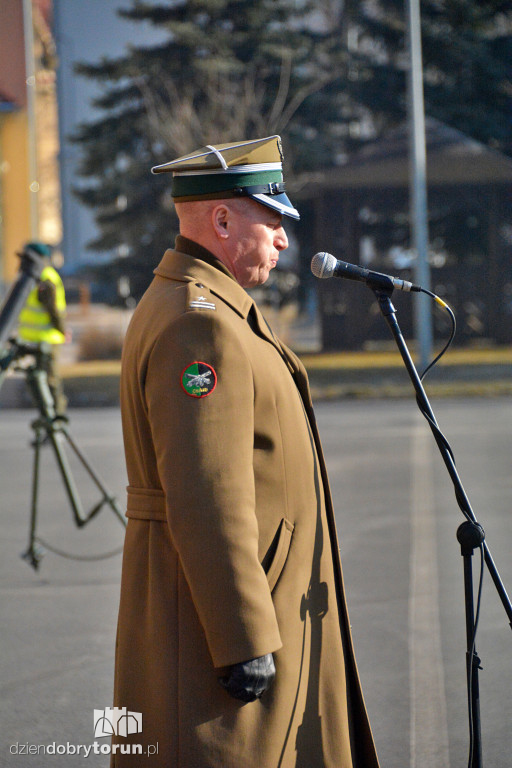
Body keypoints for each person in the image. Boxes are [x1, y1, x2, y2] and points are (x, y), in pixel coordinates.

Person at [111, 136, 379, 767]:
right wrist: (242, 638)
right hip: (218, 622)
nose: (285, 238)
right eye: (272, 219)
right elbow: (207, 492)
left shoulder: (205, 304)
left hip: (243, 598)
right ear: (223, 219)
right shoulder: (198, 322)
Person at [16, 241, 67, 417]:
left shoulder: (45, 279)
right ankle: (47, 419)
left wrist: (62, 330)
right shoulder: (29, 277)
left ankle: (56, 420)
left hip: (47, 339)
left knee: (50, 381)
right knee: (37, 383)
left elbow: (53, 310)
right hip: (32, 339)